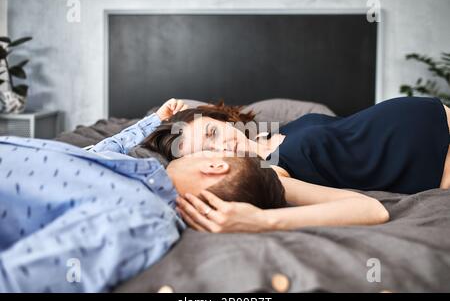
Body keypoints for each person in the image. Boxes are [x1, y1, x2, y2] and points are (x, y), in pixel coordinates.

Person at [0, 99, 286, 292]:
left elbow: (24, 277)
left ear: (215, 165)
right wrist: (150, 123)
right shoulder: (137, 173)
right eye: (210, 136)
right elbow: (93, 154)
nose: (223, 145)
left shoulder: (144, 214)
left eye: (210, 149)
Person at [144, 97, 450, 194]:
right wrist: (146, 127)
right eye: (207, 151)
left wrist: (165, 119)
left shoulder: (269, 134)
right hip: (430, 157)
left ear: (222, 119)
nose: (221, 144)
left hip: (430, 116)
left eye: (212, 132)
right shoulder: (271, 173)